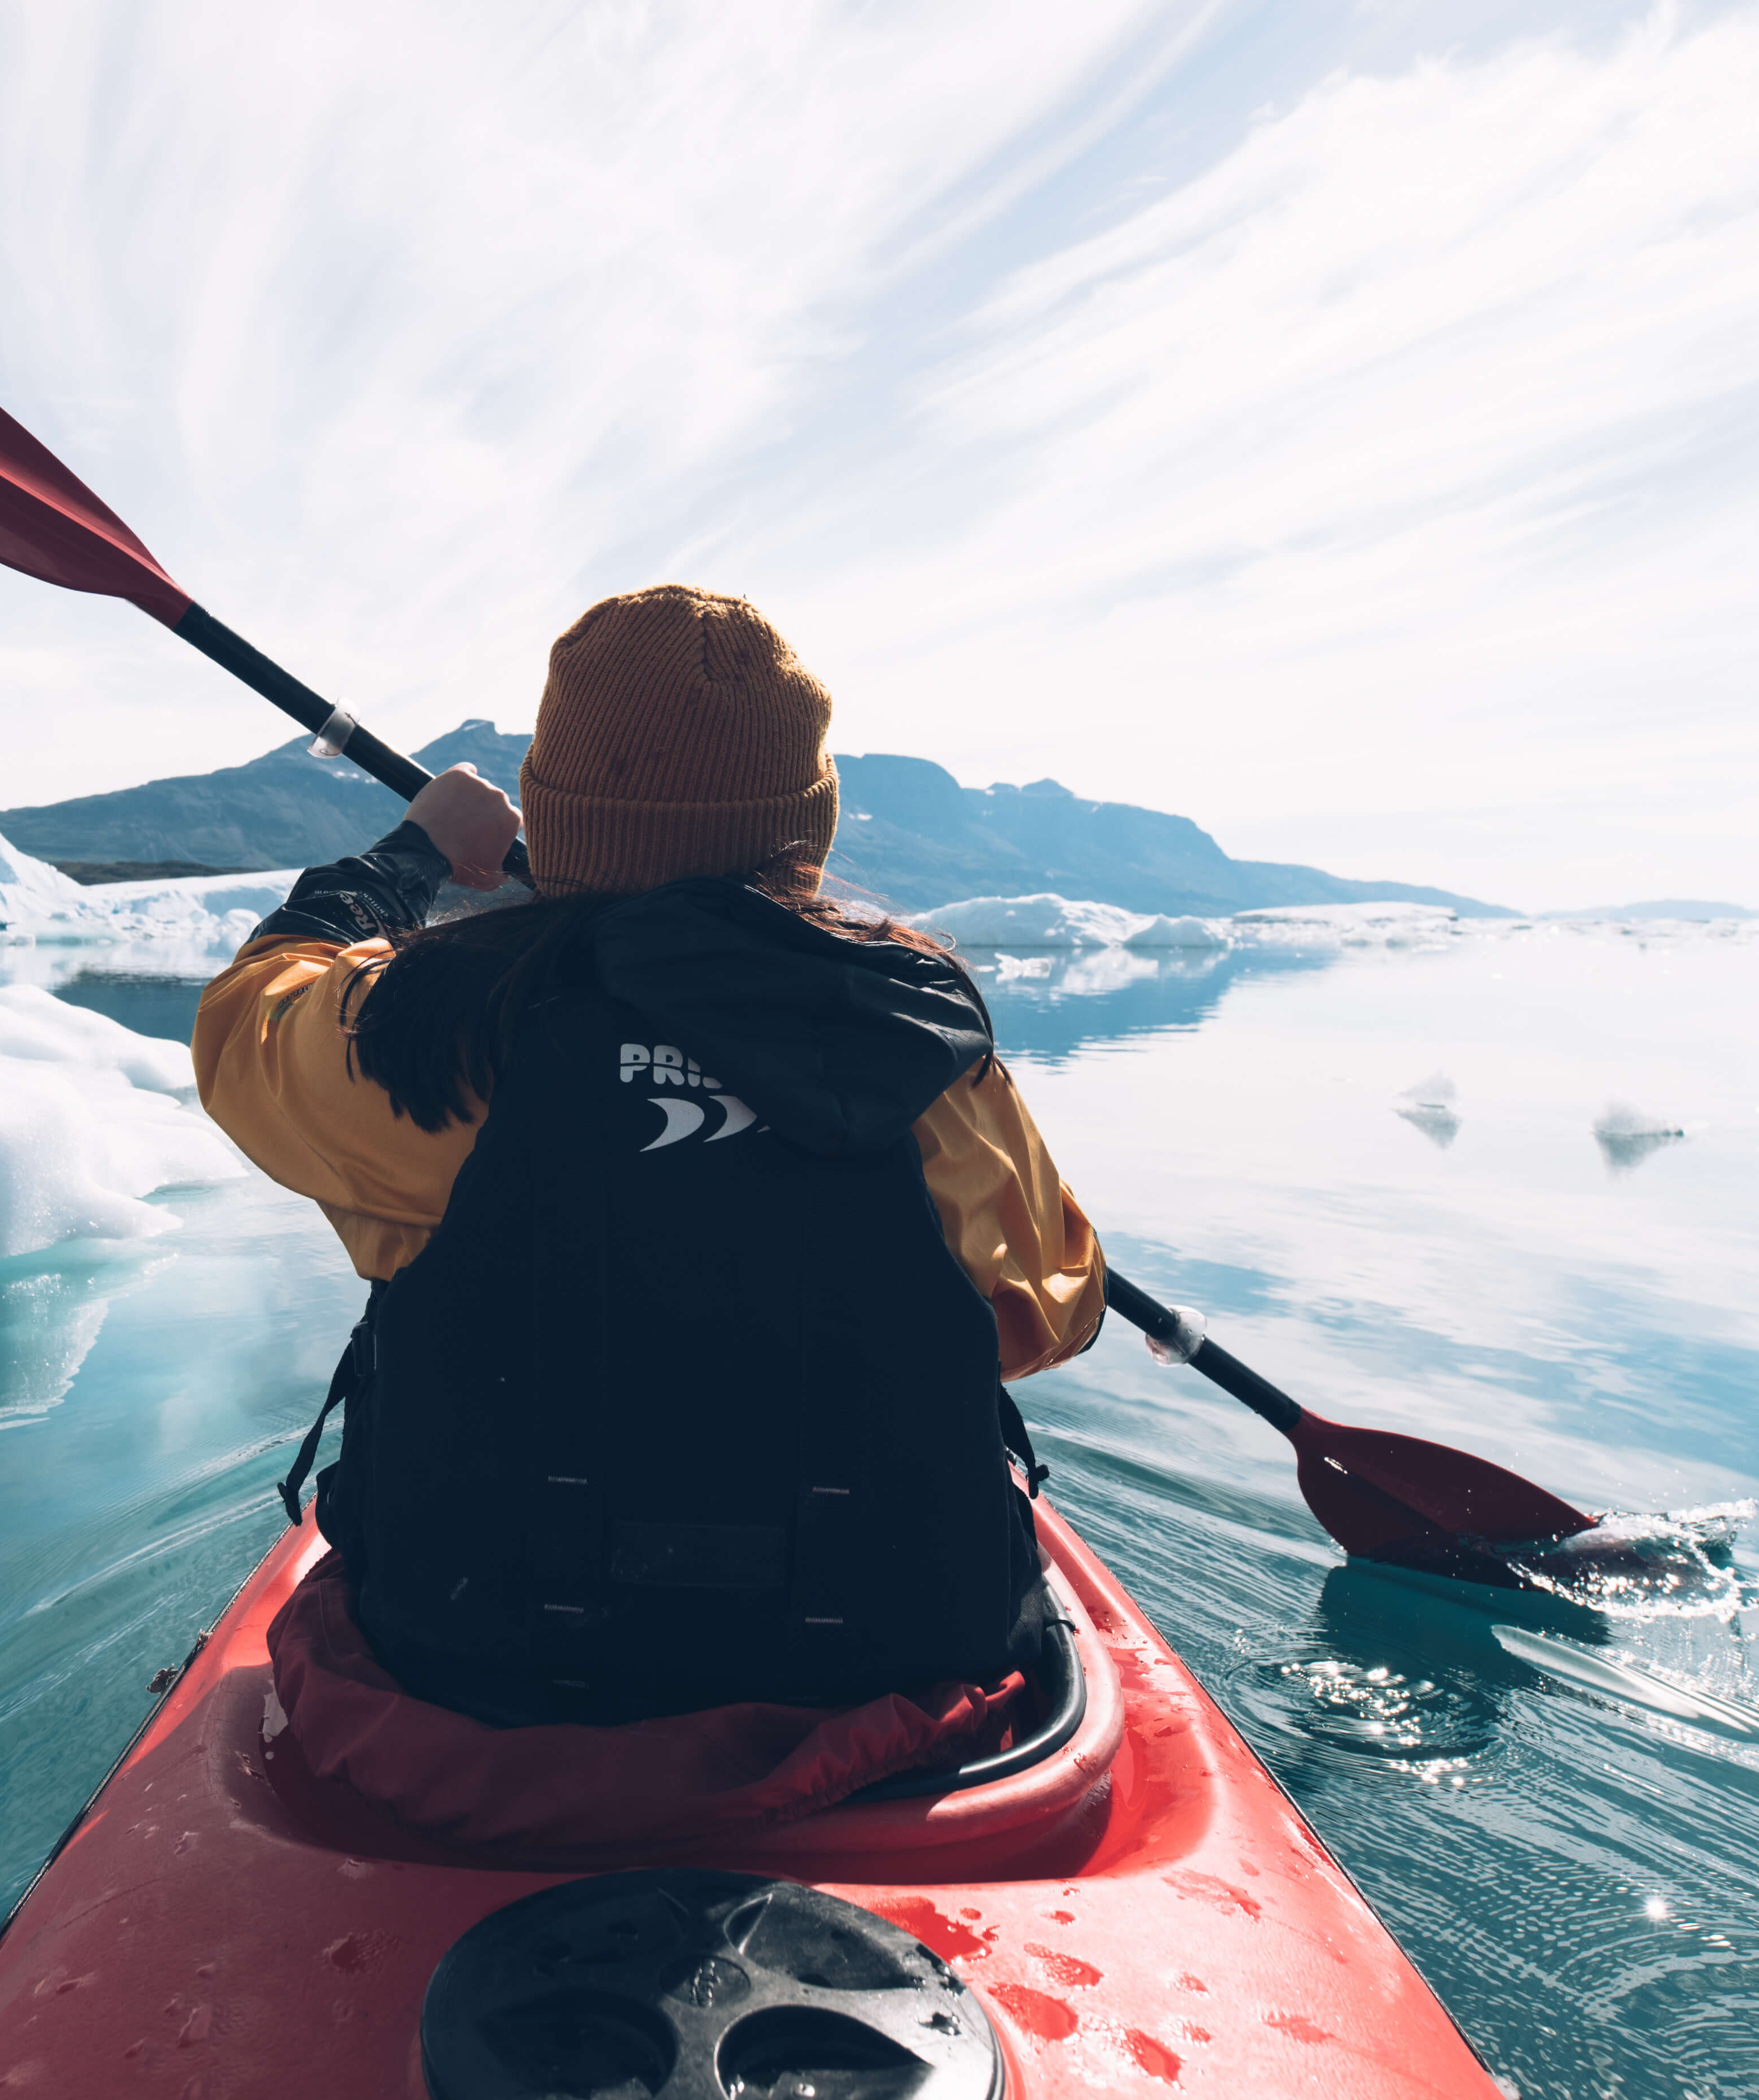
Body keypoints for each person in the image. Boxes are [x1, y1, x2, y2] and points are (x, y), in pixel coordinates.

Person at [193, 585, 1106, 1843]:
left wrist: (408, 859)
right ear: (807, 829)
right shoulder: (929, 1061)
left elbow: (248, 1023)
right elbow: (1051, 1311)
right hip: (873, 1682)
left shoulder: (420, 1035)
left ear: (560, 813)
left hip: (471, 1671)